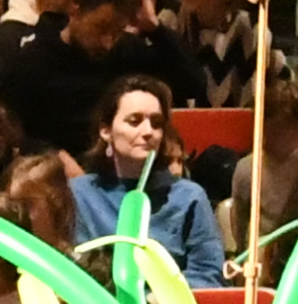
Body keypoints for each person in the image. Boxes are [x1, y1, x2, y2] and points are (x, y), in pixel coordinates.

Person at [65, 80, 229, 289]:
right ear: (106, 131)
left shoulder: (189, 197)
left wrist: (156, 302)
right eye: (134, 121)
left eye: (157, 123)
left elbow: (208, 274)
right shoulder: (79, 194)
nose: (148, 131)